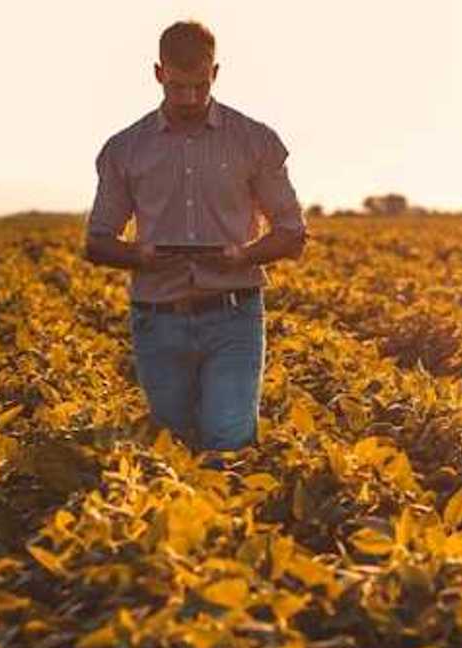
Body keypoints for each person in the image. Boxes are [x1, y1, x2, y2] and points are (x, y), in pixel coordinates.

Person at [83, 20, 308, 453]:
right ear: (158, 73)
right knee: (174, 448)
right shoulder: (125, 149)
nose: (189, 99)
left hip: (233, 315)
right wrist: (140, 255)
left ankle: (229, 520)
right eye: (178, 87)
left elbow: (293, 233)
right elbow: (97, 241)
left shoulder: (255, 141)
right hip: (157, 317)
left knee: (229, 440)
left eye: (199, 87)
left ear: (216, 74)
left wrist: (243, 255)